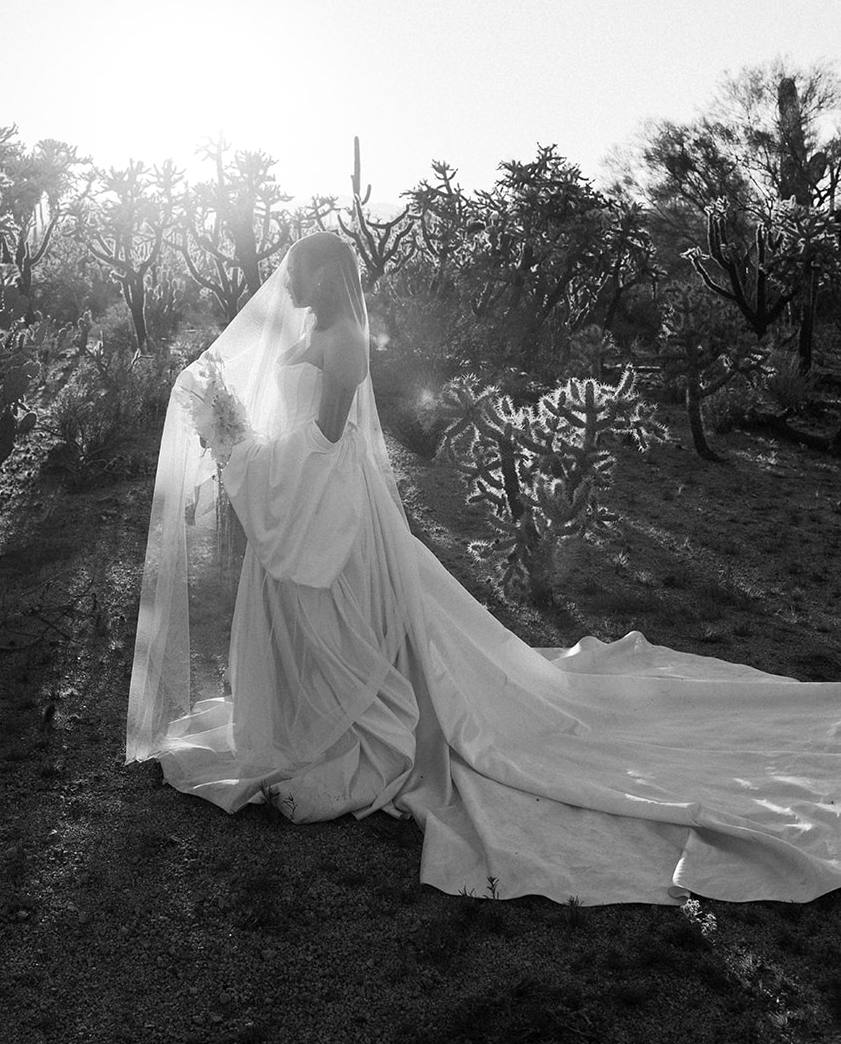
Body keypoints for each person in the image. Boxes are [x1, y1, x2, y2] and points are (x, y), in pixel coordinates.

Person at [127, 234, 841, 906]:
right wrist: (233, 431)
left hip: (325, 498)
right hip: (295, 492)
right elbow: (288, 422)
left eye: (302, 270)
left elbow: (326, 436)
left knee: (344, 610)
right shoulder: (302, 333)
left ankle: (350, 735)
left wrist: (251, 463)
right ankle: (303, 719)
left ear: (327, 274)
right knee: (298, 611)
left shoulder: (343, 340)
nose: (289, 281)